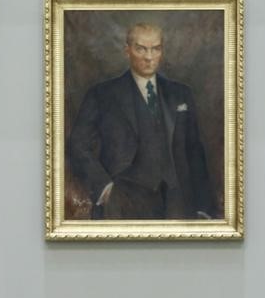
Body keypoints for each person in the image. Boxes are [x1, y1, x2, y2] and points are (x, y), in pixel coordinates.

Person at [69, 23, 217, 220]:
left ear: (162, 51)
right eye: (141, 49)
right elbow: (78, 146)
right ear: (127, 50)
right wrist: (104, 188)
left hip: (177, 204)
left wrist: (203, 207)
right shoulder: (102, 94)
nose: (149, 57)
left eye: (155, 49)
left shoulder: (181, 94)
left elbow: (194, 152)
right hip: (121, 203)